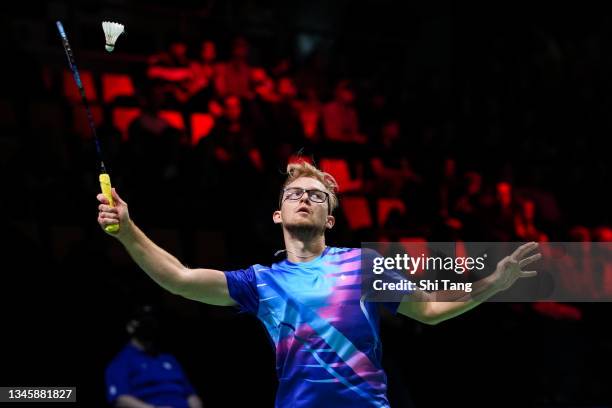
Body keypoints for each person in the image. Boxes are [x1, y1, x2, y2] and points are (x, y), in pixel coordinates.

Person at [97, 161, 541, 407]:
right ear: (278, 215)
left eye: (316, 195)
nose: (304, 198)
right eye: (294, 194)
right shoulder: (262, 282)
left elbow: (428, 310)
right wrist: (129, 228)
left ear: (330, 218)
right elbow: (179, 278)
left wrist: (493, 284)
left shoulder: (365, 265)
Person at [105, 305, 203, 408]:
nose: (149, 325)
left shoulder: (168, 359)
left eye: (151, 321)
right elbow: (120, 399)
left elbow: (191, 395)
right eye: (144, 321)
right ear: (131, 326)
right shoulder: (121, 361)